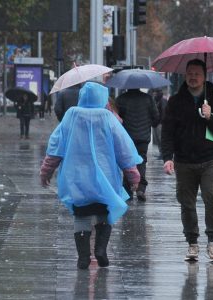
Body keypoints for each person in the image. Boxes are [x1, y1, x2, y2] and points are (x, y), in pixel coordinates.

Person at [40, 82, 142, 270]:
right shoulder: (108, 118)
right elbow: (124, 149)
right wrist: (133, 176)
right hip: (105, 177)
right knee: (103, 212)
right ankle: (101, 249)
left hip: (76, 177)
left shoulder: (71, 116)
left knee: (81, 215)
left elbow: (55, 147)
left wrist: (46, 171)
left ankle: (83, 256)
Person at [161, 59, 213, 261]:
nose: (193, 77)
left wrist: (211, 117)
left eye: (197, 74)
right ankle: (192, 243)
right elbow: (167, 133)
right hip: (184, 162)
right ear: (185, 76)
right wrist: (168, 158)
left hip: (210, 159)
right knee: (187, 204)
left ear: (204, 77)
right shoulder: (175, 101)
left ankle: (212, 242)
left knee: (212, 198)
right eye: (189, 73)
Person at [115, 88, 160, 202]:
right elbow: (156, 117)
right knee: (141, 161)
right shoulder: (148, 99)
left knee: (127, 161)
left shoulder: (121, 99)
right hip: (143, 137)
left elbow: (116, 118)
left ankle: (127, 189)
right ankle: (141, 188)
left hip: (127, 137)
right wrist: (149, 123)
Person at [152, 88, 168, 157]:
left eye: (155, 92)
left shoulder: (162, 100)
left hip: (160, 123)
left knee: (160, 138)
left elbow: (164, 112)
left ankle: (163, 153)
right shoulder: (155, 100)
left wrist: (160, 122)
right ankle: (161, 152)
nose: (154, 94)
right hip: (156, 123)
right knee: (158, 139)